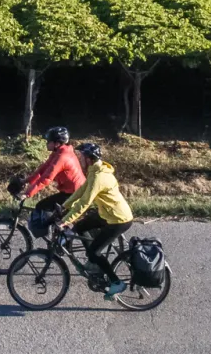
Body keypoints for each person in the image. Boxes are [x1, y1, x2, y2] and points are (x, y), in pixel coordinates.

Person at [58, 142, 133, 300]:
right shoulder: (94, 171)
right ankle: (91, 263)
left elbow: (85, 202)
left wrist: (64, 221)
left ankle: (115, 282)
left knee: (93, 252)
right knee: (81, 225)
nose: (80, 160)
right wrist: (64, 206)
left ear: (89, 159)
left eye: (82, 157)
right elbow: (81, 190)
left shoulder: (99, 176)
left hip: (118, 219)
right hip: (107, 214)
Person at [21, 126, 85, 215]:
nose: (46, 143)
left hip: (75, 193)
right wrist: (26, 181)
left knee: (42, 207)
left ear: (57, 143)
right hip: (71, 191)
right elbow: (43, 170)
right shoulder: (58, 153)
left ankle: (59, 228)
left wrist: (27, 194)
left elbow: (46, 178)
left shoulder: (62, 157)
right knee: (47, 209)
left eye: (49, 141)